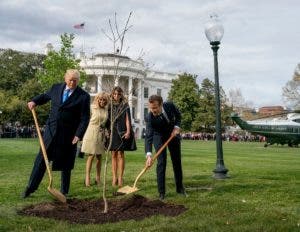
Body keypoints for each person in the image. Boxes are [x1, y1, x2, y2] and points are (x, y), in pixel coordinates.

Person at [22, 69, 90, 198]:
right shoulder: (56, 88)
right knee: (41, 159)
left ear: (78, 81)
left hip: (69, 135)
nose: (72, 83)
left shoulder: (83, 96)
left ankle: (64, 191)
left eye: (75, 81)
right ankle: (30, 188)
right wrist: (34, 101)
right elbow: (45, 96)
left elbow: (85, 118)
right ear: (65, 78)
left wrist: (78, 134)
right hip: (51, 131)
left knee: (66, 163)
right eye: (70, 80)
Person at [145, 95, 186, 200]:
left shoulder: (170, 106)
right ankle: (161, 192)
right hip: (158, 136)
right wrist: (149, 155)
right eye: (151, 108)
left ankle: (180, 188)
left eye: (155, 108)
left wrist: (177, 127)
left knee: (176, 161)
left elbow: (178, 116)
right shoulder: (150, 117)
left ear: (161, 104)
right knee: (161, 162)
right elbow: (149, 136)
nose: (152, 110)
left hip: (173, 134)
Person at [108, 86, 136, 187]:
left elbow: (128, 119)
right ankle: (114, 177)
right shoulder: (110, 105)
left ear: (121, 95)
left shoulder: (125, 105)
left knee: (120, 154)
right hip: (113, 131)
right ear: (112, 94)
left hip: (122, 131)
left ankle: (120, 178)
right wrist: (108, 131)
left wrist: (128, 131)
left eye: (118, 94)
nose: (116, 96)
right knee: (113, 154)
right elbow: (107, 119)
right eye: (115, 94)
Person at [81, 92, 109, 187]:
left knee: (99, 156)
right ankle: (87, 178)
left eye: (104, 100)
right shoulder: (91, 107)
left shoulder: (106, 109)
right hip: (91, 132)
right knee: (91, 155)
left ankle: (98, 178)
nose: (102, 101)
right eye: (100, 99)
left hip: (101, 134)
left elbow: (106, 123)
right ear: (97, 99)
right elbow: (84, 120)